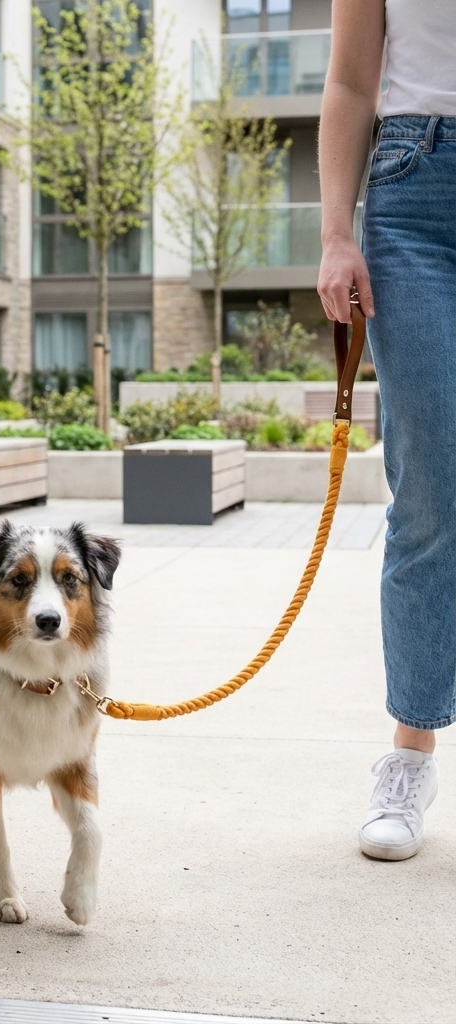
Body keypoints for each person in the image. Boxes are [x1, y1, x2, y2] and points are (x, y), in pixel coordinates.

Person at [318, 0, 454, 860]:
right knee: (431, 488)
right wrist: (337, 233)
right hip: (415, 188)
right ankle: (410, 752)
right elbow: (349, 83)